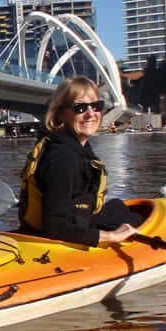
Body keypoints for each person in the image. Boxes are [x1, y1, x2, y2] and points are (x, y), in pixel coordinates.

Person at [18, 76, 143, 246]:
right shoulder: (63, 158)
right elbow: (55, 227)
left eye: (96, 106)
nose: (91, 114)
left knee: (118, 208)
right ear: (61, 113)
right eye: (80, 108)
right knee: (134, 219)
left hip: (79, 220)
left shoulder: (71, 146)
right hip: (56, 239)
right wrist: (111, 236)